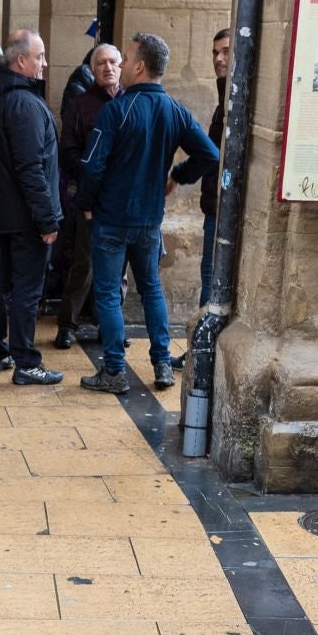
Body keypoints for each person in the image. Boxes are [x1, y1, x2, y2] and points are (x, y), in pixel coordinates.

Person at [75, 32, 220, 394]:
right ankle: (161, 364)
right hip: (148, 220)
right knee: (152, 289)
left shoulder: (117, 110)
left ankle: (113, 370)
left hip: (111, 218)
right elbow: (209, 155)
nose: (120, 65)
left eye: (125, 58)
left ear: (140, 65)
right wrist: (178, 175)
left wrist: (87, 204)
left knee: (108, 294)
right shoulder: (175, 110)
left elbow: (92, 166)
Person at [0, 29, 65, 386]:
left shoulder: (2, 97)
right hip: (26, 217)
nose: (44, 62)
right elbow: (31, 168)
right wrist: (46, 218)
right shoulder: (24, 104)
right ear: (21, 61)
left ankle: (0, 350)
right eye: (40, 56)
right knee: (27, 290)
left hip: (6, 213)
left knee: (0, 283)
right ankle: (27, 362)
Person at [54, 43, 122, 348]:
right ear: (92, 70)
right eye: (101, 63)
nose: (108, 68)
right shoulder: (80, 105)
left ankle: (108, 325)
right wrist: (90, 178)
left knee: (118, 268)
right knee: (84, 262)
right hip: (91, 198)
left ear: (122, 66)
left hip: (123, 199)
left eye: (113, 62)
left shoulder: (130, 101)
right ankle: (67, 324)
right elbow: (67, 151)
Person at [196, 28, 230, 308]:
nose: (218, 58)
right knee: (208, 273)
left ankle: (201, 345)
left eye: (226, 51)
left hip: (223, 205)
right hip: (214, 203)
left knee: (211, 275)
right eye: (215, 52)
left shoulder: (232, 97)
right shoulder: (224, 96)